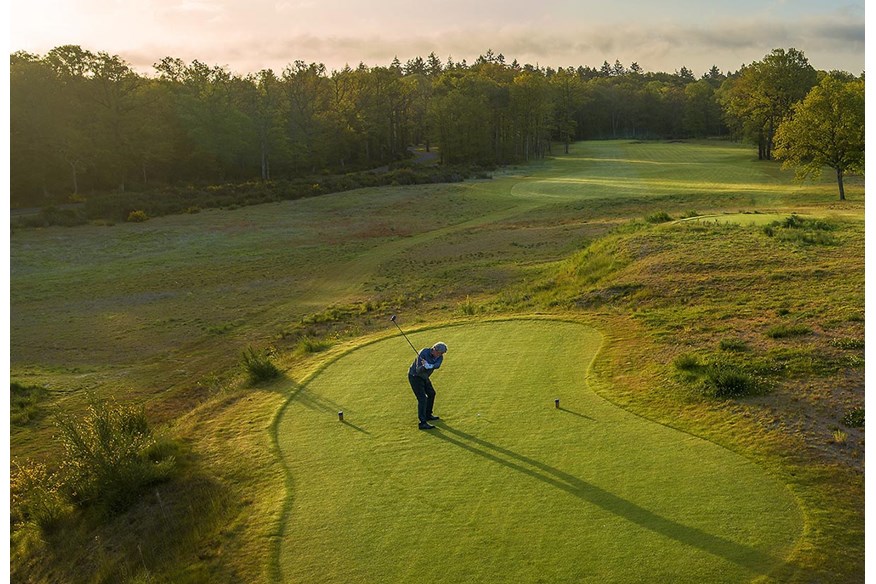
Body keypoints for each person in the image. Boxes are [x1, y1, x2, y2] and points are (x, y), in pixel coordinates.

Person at [408, 342, 447, 430]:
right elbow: (418, 370)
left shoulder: (440, 357)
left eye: (441, 353)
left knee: (432, 393)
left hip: (424, 377)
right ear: (434, 349)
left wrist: (430, 366)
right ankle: (422, 423)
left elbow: (437, 365)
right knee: (422, 398)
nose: (440, 355)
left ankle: (428, 415)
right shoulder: (423, 353)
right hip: (415, 377)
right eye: (439, 353)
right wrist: (424, 366)